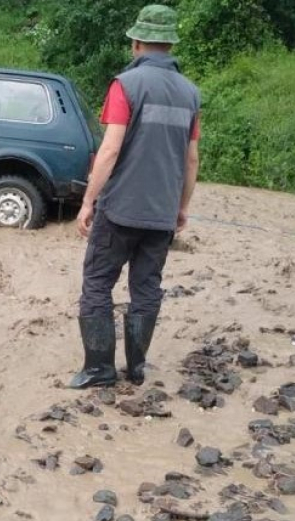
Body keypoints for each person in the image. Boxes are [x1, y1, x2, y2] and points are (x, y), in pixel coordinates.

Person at [69, 4, 201, 389]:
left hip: (119, 211)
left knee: (97, 284)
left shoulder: (125, 85)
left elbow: (110, 149)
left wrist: (88, 202)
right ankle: (137, 368)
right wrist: (181, 207)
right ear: (170, 44)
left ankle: (99, 369)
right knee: (146, 290)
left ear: (137, 43)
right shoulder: (191, 93)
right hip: (162, 214)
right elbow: (191, 159)